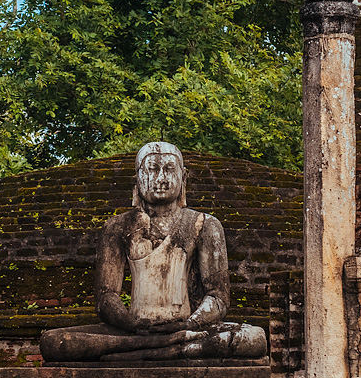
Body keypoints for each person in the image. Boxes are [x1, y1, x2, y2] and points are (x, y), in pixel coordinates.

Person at [40, 141, 267, 362]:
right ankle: (167, 348)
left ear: (183, 177)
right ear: (138, 179)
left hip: (187, 326)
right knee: (55, 342)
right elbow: (106, 297)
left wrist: (191, 323)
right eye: (151, 170)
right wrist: (133, 325)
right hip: (135, 330)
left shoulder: (204, 224)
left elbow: (218, 297)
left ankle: (154, 349)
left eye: (169, 169)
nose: (160, 179)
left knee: (254, 338)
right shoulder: (117, 226)